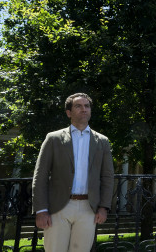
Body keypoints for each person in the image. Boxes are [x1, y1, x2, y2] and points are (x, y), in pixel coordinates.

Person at [32, 93, 114, 252]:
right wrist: (41, 210)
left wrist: (104, 207)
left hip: (88, 209)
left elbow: (107, 177)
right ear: (69, 113)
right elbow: (40, 176)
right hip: (58, 207)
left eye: (87, 106)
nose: (84, 109)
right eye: (78, 106)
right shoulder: (53, 138)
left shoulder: (102, 141)